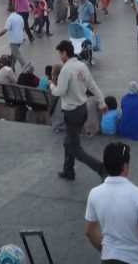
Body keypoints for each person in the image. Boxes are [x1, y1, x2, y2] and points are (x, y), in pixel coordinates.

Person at [84, 142, 138, 264]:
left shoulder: (94, 193)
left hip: (108, 258)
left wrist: (107, 250)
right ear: (125, 167)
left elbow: (89, 231)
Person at [52, 39, 107, 181]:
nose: (59, 56)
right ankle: (68, 170)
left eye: (60, 53)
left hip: (72, 112)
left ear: (65, 53)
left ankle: (101, 168)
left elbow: (59, 91)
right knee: (68, 141)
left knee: (76, 149)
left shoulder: (66, 70)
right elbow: (92, 85)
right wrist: (101, 102)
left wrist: (51, 85)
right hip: (82, 110)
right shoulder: (82, 66)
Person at [0, 6, 28, 71]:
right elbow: (23, 27)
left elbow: (5, 30)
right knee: (13, 54)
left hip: (14, 40)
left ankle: (25, 66)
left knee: (17, 54)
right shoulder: (20, 17)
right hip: (20, 38)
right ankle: (12, 67)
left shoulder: (10, 18)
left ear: (8, 11)